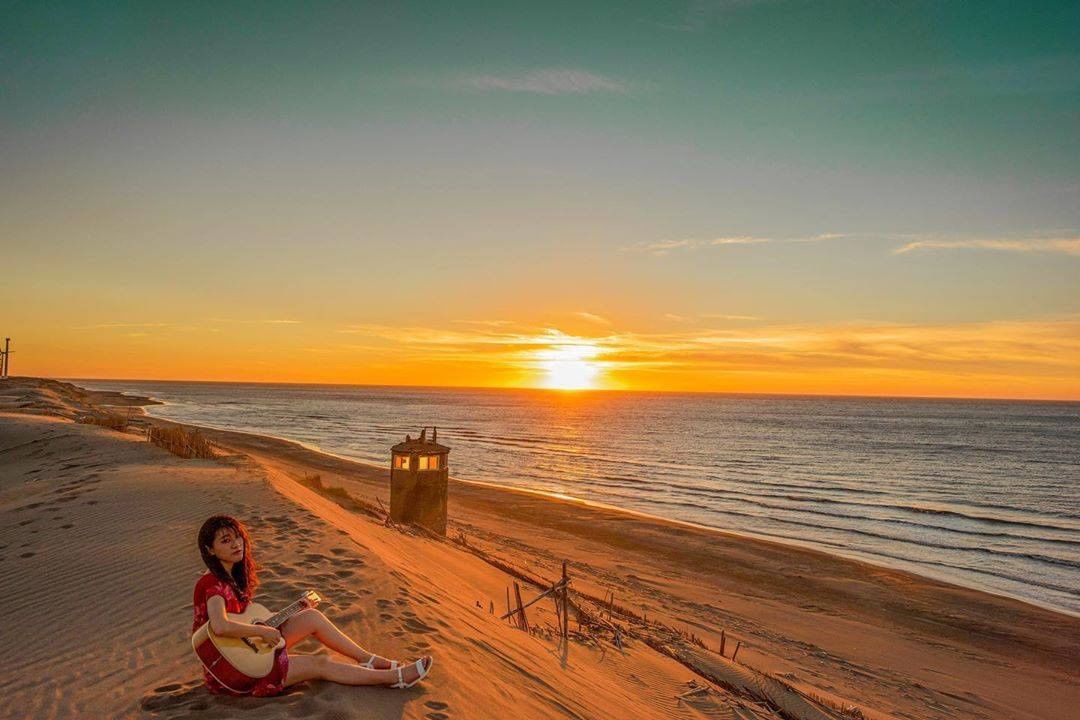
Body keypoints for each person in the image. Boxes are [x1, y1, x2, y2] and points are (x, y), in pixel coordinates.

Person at [193, 515, 432, 697]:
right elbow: (221, 626)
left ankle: (369, 659)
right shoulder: (213, 583)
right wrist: (261, 630)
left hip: (244, 652)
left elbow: (244, 622)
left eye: (237, 537)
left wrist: (292, 611)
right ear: (210, 550)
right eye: (226, 540)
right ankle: (393, 677)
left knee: (311, 616)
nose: (236, 544)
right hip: (236, 673)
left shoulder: (231, 577)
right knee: (321, 663)